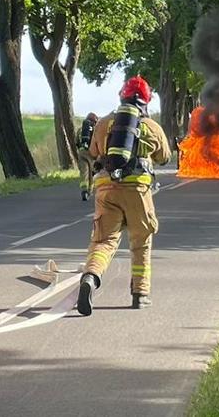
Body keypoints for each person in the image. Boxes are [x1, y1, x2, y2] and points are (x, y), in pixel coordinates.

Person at [78, 76, 170, 314]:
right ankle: (140, 294)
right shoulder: (151, 126)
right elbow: (165, 157)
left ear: (122, 96)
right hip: (138, 191)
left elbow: (93, 152)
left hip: (107, 190)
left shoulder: (104, 123)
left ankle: (91, 276)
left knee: (103, 241)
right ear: (146, 101)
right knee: (141, 241)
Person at [76, 112, 100, 201]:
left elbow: (76, 141)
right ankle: (89, 191)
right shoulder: (94, 130)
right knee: (91, 172)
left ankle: (84, 190)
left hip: (81, 152)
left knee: (84, 172)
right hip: (91, 152)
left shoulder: (80, 130)